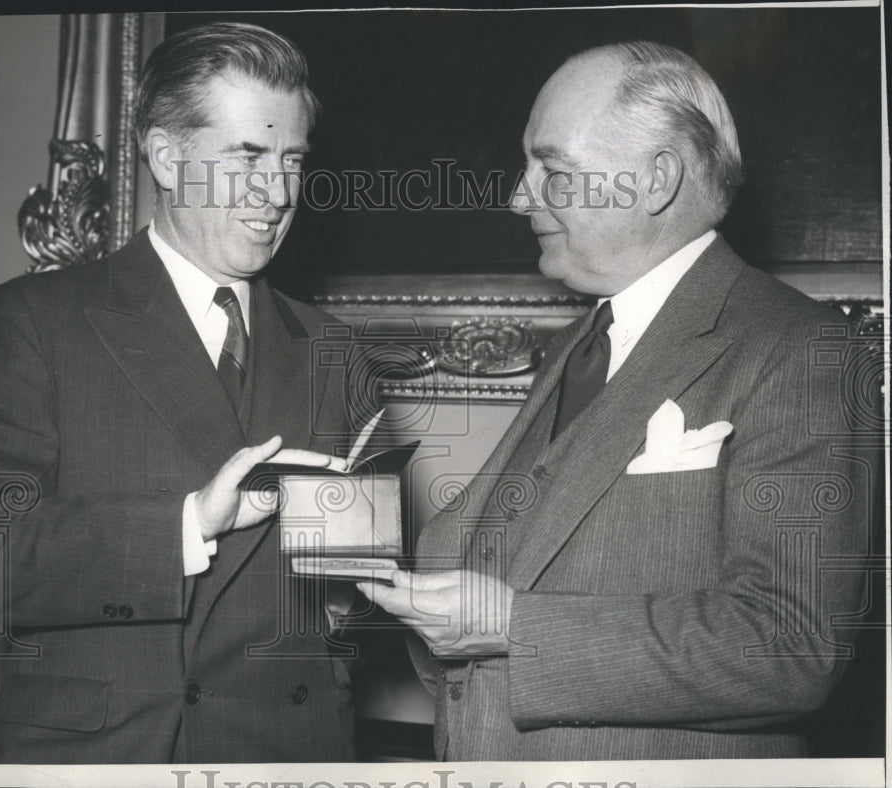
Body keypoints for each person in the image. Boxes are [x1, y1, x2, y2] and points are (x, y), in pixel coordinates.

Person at [360, 41, 877, 760]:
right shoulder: (586, 339)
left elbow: (791, 645)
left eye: (554, 170)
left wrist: (514, 627)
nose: (519, 196)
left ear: (656, 179)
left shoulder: (799, 348)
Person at [0, 22, 358, 764]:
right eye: (247, 156)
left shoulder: (332, 349)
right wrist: (186, 525)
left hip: (288, 755)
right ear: (166, 156)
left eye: (292, 160)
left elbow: (334, 604)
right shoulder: (34, 321)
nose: (278, 192)